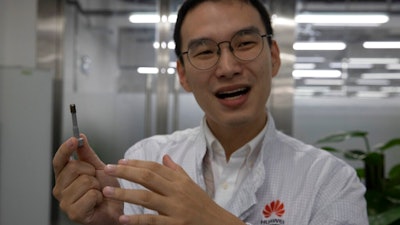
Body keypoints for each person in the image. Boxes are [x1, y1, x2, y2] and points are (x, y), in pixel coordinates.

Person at [52, 0, 369, 224]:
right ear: (183, 75)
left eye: (244, 44)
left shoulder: (330, 181)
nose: (228, 67)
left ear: (273, 56)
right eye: (205, 52)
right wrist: (111, 221)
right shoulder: (147, 159)